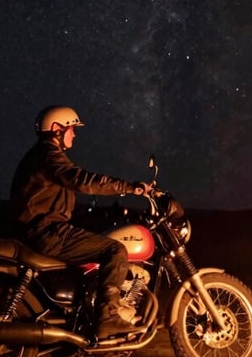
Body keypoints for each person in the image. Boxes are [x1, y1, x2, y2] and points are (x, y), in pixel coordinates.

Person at [10, 104, 149, 339]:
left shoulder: (41, 157)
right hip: (47, 233)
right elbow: (81, 180)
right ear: (56, 129)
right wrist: (128, 187)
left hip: (43, 229)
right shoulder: (49, 156)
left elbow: (57, 201)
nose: (74, 134)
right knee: (115, 250)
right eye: (71, 129)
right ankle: (107, 318)